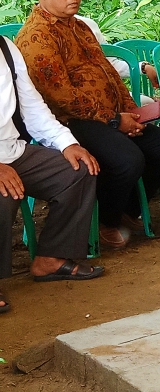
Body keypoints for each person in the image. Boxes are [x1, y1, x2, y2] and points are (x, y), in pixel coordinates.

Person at [15, 0, 160, 250]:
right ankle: (107, 219)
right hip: (68, 123)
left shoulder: (79, 27)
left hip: (111, 116)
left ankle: (125, 210)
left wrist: (129, 112)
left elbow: (108, 72)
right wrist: (114, 121)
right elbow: (62, 97)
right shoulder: (36, 37)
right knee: (127, 159)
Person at [1, 33, 102, 314]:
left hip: (13, 150)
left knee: (78, 170)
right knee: (2, 194)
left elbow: (32, 105)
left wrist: (66, 143)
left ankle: (50, 258)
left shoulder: (6, 48)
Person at [76, 15, 158, 106]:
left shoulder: (88, 25)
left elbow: (112, 65)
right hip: (74, 99)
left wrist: (143, 67)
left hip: (104, 93)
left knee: (148, 103)